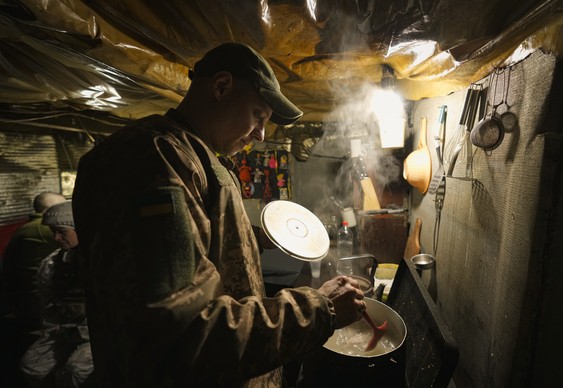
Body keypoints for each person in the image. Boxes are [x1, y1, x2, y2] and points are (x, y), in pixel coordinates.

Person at [72, 42, 365, 387]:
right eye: (259, 116)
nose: (260, 135)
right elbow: (183, 338)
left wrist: (254, 237)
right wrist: (319, 309)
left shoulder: (194, 154)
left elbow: (198, 247)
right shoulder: (154, 160)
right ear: (222, 87)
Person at [19, 201, 93, 387]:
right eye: (53, 232)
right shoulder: (51, 265)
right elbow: (47, 302)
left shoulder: (99, 261)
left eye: (62, 231)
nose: (56, 238)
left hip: (95, 334)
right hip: (62, 330)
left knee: (75, 370)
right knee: (31, 367)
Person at [2, 191, 66, 328]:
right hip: (34, 305)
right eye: (64, 207)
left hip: (20, 301)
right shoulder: (46, 228)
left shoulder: (32, 226)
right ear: (54, 210)